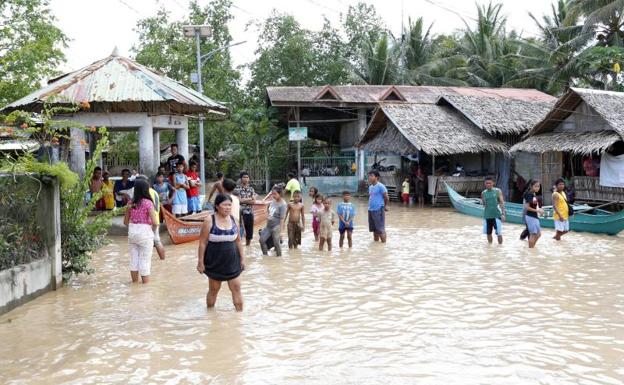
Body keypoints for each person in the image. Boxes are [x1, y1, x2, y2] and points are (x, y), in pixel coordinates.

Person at [196, 194, 245, 311]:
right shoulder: (209, 220)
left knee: (236, 288)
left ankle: (239, 317)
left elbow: (238, 241)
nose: (228, 207)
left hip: (232, 260)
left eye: (230, 205)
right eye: (225, 205)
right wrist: (200, 262)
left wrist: (242, 259)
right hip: (214, 260)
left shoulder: (234, 220)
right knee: (214, 290)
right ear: (217, 206)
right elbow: (202, 243)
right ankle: (210, 314)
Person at [123, 178, 159, 284]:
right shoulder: (148, 203)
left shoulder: (130, 203)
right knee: (145, 260)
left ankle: (134, 284)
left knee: (134, 259)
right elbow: (155, 222)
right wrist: (152, 232)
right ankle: (145, 288)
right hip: (145, 232)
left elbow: (125, 222)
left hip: (132, 232)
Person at [260, 186, 287, 257]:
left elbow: (282, 219)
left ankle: (279, 258)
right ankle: (265, 256)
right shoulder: (272, 202)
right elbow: (269, 213)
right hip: (268, 226)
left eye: (275, 194)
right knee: (262, 240)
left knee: (276, 243)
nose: (273, 195)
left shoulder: (283, 204)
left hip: (276, 226)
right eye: (272, 194)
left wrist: (281, 232)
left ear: (280, 194)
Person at [233, 172, 257, 246]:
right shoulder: (236, 189)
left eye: (247, 177)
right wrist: (250, 198)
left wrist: (244, 200)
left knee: (249, 233)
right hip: (239, 213)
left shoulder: (251, 189)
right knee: (238, 232)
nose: (246, 179)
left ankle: (248, 247)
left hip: (249, 212)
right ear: (241, 179)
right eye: (244, 177)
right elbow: (238, 201)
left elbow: (254, 202)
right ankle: (238, 248)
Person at [481, 177, 505, 244]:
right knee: (488, 233)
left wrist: (503, 214)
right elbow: (484, 205)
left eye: (490, 183)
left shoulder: (497, 191)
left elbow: (502, 202)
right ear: (485, 184)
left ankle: (500, 247)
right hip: (487, 216)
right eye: (487, 183)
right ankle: (489, 248)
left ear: (493, 183)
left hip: (496, 215)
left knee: (499, 233)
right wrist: (482, 201)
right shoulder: (483, 193)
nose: (488, 184)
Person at [368, 170, 389, 243]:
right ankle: (376, 248)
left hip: (378, 209)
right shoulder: (370, 187)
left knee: (380, 229)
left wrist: (385, 206)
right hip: (371, 210)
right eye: (369, 176)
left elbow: (386, 197)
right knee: (374, 229)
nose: (369, 177)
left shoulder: (381, 186)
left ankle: (384, 245)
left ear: (376, 177)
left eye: (371, 176)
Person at [524, 180, 544, 248]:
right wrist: (538, 211)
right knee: (533, 234)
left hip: (535, 216)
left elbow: (535, 206)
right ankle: (531, 249)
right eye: (535, 186)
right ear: (531, 186)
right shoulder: (529, 194)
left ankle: (532, 248)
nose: (537, 188)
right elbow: (527, 207)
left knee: (538, 234)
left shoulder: (534, 194)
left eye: (538, 186)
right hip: (530, 216)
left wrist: (539, 211)